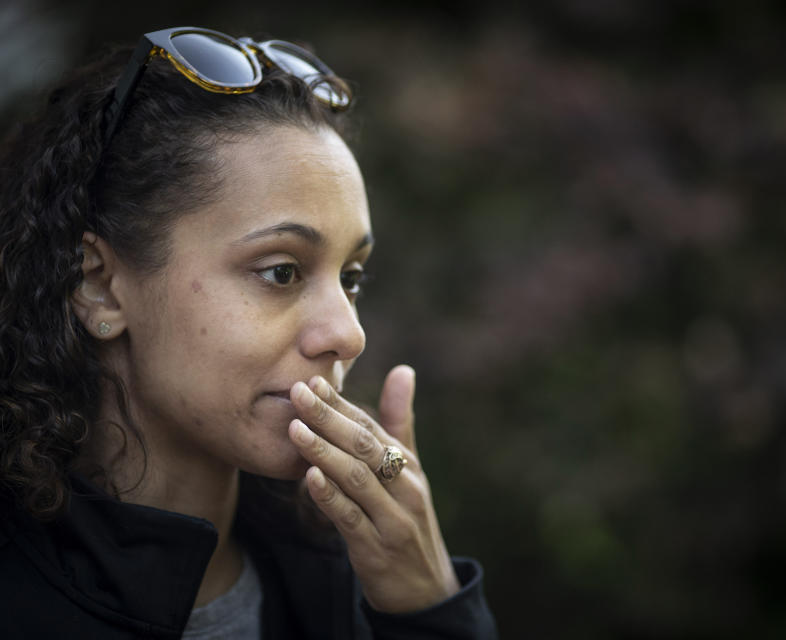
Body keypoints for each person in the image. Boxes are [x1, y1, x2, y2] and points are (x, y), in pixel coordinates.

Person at [0, 27, 496, 639]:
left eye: (352, 277)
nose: (348, 332)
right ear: (99, 285)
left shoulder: (354, 583)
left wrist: (428, 609)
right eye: (281, 271)